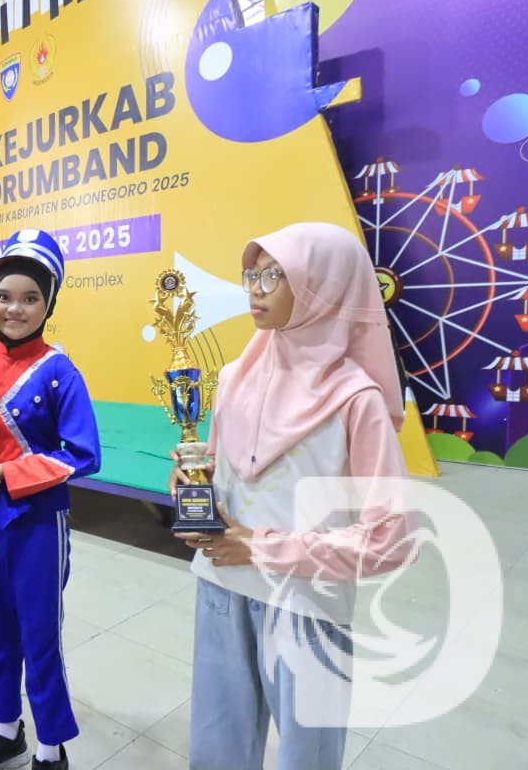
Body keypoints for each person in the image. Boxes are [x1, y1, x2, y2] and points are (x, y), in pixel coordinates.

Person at [170, 223, 416, 770]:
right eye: (252, 275)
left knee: (308, 754)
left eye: (275, 276)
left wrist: (259, 546)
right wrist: (190, 487)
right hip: (220, 585)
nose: (255, 289)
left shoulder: (356, 399)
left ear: (324, 286)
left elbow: (392, 539)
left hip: (305, 604)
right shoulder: (234, 377)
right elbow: (217, 472)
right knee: (216, 745)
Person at [0, 229, 100, 770]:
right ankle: (6, 729)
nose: (15, 308)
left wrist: (7, 473)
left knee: (39, 635)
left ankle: (51, 751)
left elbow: (83, 454)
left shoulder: (59, 370)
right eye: (5, 296)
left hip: (35, 522)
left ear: (48, 304)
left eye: (30, 298)